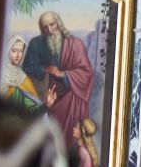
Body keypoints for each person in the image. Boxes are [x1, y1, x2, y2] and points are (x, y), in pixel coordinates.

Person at [22, 11, 96, 145]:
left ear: (59, 24)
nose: (49, 30)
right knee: (52, 136)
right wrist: (45, 69)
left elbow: (87, 73)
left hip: (72, 97)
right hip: (51, 95)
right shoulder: (36, 44)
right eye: (45, 27)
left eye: (52, 25)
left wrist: (63, 74)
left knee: (72, 139)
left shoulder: (76, 44)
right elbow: (28, 67)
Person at [1, 37, 44, 111]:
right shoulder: (0, 73)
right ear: (7, 51)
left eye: (21, 51)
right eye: (14, 51)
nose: (18, 55)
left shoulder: (21, 75)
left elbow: (35, 100)